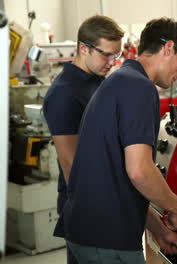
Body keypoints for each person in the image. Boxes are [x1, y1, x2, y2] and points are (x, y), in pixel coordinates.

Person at [61, 17, 177, 263]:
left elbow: (120, 179)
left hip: (87, 232)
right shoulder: (140, 88)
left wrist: (159, 229)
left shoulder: (121, 80)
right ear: (168, 48)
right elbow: (140, 172)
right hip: (108, 239)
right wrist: (176, 207)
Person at [42, 15, 124, 264]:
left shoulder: (96, 82)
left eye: (116, 55)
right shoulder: (64, 93)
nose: (112, 62)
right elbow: (71, 165)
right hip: (88, 209)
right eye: (106, 55)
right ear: (84, 48)